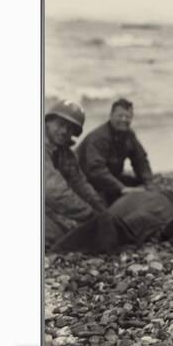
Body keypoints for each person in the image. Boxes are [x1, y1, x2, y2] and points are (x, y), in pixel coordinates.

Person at [44, 100, 108, 248]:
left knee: (68, 234)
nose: (64, 131)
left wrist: (103, 212)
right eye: (60, 124)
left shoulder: (64, 152)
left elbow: (80, 183)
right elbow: (54, 192)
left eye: (70, 128)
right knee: (54, 238)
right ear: (48, 122)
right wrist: (89, 214)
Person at [77, 98, 153, 205]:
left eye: (128, 117)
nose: (124, 120)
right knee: (101, 210)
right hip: (86, 180)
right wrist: (121, 188)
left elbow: (140, 160)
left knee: (144, 188)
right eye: (120, 116)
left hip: (110, 178)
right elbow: (95, 170)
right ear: (111, 115)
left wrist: (148, 183)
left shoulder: (129, 135)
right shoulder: (99, 137)